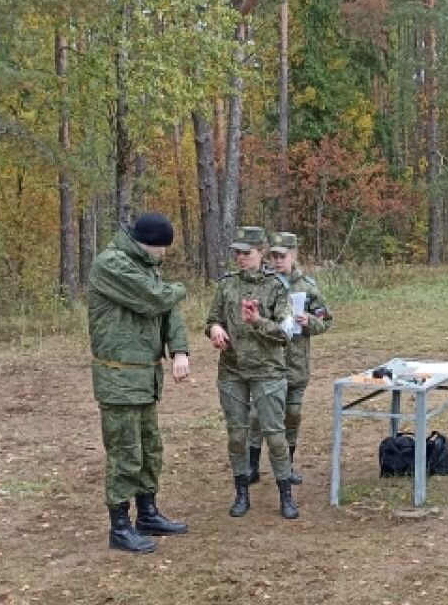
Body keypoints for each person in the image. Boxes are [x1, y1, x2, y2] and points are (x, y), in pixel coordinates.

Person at [87, 213, 191, 554]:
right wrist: (178, 289)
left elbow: (168, 311)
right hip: (119, 377)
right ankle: (120, 525)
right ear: (150, 244)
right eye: (163, 249)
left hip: (145, 377)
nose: (164, 256)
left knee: (149, 449)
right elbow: (156, 298)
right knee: (125, 452)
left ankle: (147, 512)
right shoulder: (112, 264)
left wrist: (179, 350)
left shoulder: (144, 264)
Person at [206, 227, 301, 520]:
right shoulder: (227, 285)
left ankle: (285, 494)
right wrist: (215, 329)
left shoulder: (277, 287)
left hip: (268, 371)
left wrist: (258, 320)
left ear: (261, 252)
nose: (240, 258)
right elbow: (212, 318)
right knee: (237, 436)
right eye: (237, 253)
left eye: (246, 253)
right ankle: (241, 493)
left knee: (274, 437)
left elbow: (285, 333)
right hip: (232, 370)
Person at [268, 232, 332, 484]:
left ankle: (288, 466)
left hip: (296, 362)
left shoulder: (307, 287)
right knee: (257, 418)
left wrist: (309, 322)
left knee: (292, 414)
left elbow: (326, 320)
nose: (277, 261)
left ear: (294, 255)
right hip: (268, 362)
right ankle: (251, 466)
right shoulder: (264, 284)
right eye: (273, 256)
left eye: (282, 256)